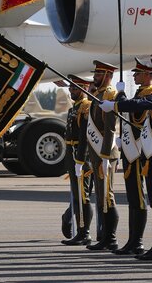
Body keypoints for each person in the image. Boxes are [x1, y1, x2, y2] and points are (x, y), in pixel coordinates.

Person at [101, 58, 152, 255]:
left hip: (140, 151)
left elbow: (135, 110)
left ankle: (137, 241)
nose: (134, 75)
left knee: (138, 196)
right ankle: (133, 240)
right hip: (131, 150)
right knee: (133, 196)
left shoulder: (150, 92)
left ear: (148, 75)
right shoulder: (141, 92)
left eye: (138, 73)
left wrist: (122, 96)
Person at [86, 61, 119, 251]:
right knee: (100, 196)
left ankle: (111, 238)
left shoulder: (110, 95)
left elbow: (110, 129)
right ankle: (104, 237)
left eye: (98, 74)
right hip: (97, 153)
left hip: (105, 153)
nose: (94, 77)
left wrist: (105, 156)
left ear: (107, 75)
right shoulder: (98, 95)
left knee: (108, 195)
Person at [61, 74, 93, 246]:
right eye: (70, 87)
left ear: (84, 89)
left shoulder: (86, 107)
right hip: (72, 154)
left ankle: (84, 232)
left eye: (75, 87)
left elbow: (84, 137)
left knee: (83, 195)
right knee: (78, 194)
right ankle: (80, 230)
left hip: (81, 156)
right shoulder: (74, 108)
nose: (71, 90)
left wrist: (80, 160)